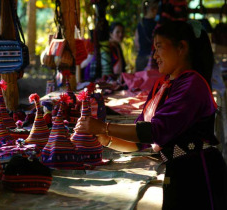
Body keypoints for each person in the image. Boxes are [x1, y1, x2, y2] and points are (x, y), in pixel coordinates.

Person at [75, 21, 227, 209]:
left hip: (196, 173)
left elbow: (155, 131)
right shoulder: (163, 84)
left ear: (182, 48)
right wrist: (106, 139)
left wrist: (103, 126)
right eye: (154, 49)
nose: (154, 55)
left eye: (159, 48)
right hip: (176, 168)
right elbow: (142, 140)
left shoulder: (192, 85)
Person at [134, 0, 159, 71]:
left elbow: (136, 42)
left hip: (140, 58)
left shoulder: (140, 24)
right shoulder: (156, 25)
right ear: (153, 10)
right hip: (152, 60)